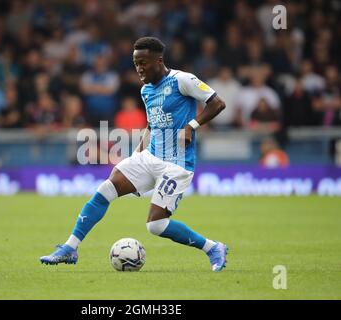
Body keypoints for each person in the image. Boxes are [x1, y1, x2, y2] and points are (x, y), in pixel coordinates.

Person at [40, 37, 228, 272]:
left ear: (158, 60)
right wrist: (139, 150)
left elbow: (218, 103)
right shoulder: (146, 90)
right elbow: (153, 123)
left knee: (156, 226)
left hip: (177, 164)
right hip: (149, 157)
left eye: (143, 63)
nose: (139, 68)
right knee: (104, 190)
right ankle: (70, 248)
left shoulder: (183, 80)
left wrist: (191, 126)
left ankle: (213, 247)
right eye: (135, 63)